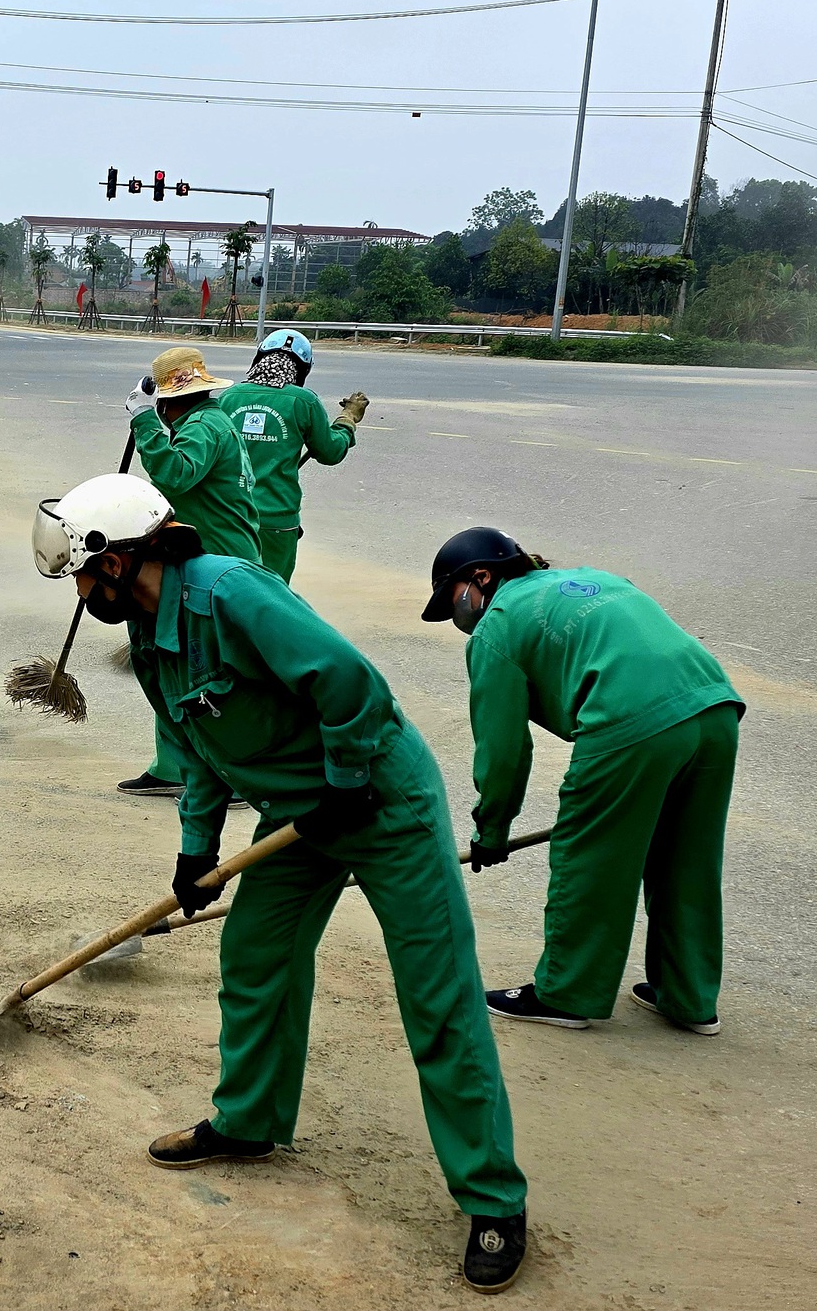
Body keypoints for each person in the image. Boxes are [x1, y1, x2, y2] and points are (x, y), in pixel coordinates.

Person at [32, 476, 531, 1295]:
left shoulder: (230, 594)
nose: (81, 598)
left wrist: (343, 780)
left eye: (82, 577)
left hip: (378, 796)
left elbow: (346, 677)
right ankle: (250, 1122)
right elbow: (194, 749)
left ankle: (493, 1199)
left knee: (436, 994)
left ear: (118, 559)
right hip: (302, 818)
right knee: (255, 954)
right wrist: (196, 853)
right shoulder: (155, 645)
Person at [422, 527, 745, 1037]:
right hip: (715, 707)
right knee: (687, 858)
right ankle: (689, 999)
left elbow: (503, 753)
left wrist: (492, 831)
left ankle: (567, 994)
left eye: (453, 599)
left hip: (631, 722)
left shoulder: (497, 626)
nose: (457, 615)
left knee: (592, 856)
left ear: (481, 576)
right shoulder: (589, 578)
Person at [117, 347, 259, 798]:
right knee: (174, 664)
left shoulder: (201, 426)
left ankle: (229, 773)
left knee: (205, 673)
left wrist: (141, 423)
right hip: (209, 558)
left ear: (165, 401)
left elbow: (176, 475)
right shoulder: (209, 422)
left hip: (215, 564)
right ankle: (177, 765)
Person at [217, 329, 369, 584]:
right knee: (271, 594)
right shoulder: (303, 401)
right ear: (302, 368)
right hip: (276, 519)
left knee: (226, 588)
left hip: (227, 516)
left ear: (259, 358)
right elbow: (330, 452)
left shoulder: (229, 397)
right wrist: (347, 420)